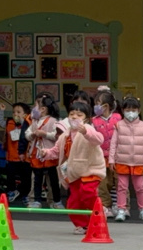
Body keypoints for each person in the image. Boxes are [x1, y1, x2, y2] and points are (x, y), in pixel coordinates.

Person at [42, 101, 105, 235]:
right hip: (74, 173)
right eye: (72, 114)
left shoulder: (88, 128)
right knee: (73, 203)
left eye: (79, 115)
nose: (74, 117)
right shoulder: (65, 135)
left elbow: (99, 140)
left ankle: (99, 211)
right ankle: (83, 225)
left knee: (87, 192)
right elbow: (56, 151)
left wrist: (86, 132)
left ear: (86, 118)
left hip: (91, 169)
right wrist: (45, 153)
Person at [108, 96, 143, 221]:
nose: (130, 113)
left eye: (133, 110)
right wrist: (111, 160)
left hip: (138, 162)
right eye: (128, 110)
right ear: (123, 110)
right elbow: (113, 144)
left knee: (140, 187)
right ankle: (121, 209)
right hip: (122, 161)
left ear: (139, 111)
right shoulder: (118, 126)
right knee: (121, 187)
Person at [26, 94, 61, 208]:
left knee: (53, 179)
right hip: (37, 154)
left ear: (43, 109)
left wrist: (44, 134)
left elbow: (56, 136)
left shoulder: (53, 121)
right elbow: (27, 134)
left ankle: (56, 201)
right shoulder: (34, 121)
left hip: (50, 154)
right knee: (37, 178)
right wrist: (32, 135)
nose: (33, 108)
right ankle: (37, 200)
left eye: (35, 106)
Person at [92, 87, 121, 217]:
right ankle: (105, 205)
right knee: (103, 182)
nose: (95, 107)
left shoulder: (118, 118)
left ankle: (120, 205)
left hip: (117, 157)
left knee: (119, 182)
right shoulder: (93, 121)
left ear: (106, 106)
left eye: (98, 103)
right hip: (101, 157)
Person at [0, 102, 32, 204]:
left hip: (23, 157)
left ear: (25, 114)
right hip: (11, 156)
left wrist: (23, 122)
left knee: (25, 177)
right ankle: (11, 192)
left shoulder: (27, 124)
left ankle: (25, 195)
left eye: (18, 112)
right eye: (14, 112)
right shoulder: (9, 122)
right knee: (10, 177)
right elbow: (0, 122)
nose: (15, 114)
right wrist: (1, 111)